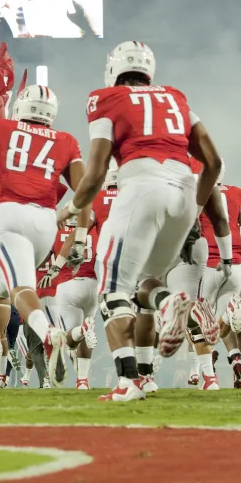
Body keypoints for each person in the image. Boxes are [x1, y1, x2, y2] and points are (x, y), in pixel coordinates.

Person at [62, 41, 224, 402]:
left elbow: (97, 170)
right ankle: (170, 303)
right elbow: (214, 163)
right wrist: (194, 209)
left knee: (110, 291)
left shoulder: (105, 98)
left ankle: (128, 381)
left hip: (142, 186)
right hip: (183, 191)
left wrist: (72, 208)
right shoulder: (176, 98)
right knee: (144, 285)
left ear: (112, 71)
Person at [0, 85, 80, 390]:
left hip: (10, 215)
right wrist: (76, 226)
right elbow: (85, 193)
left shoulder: (1, 127)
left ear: (20, 108)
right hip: (46, 222)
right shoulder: (67, 140)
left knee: (19, 289)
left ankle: (48, 335)